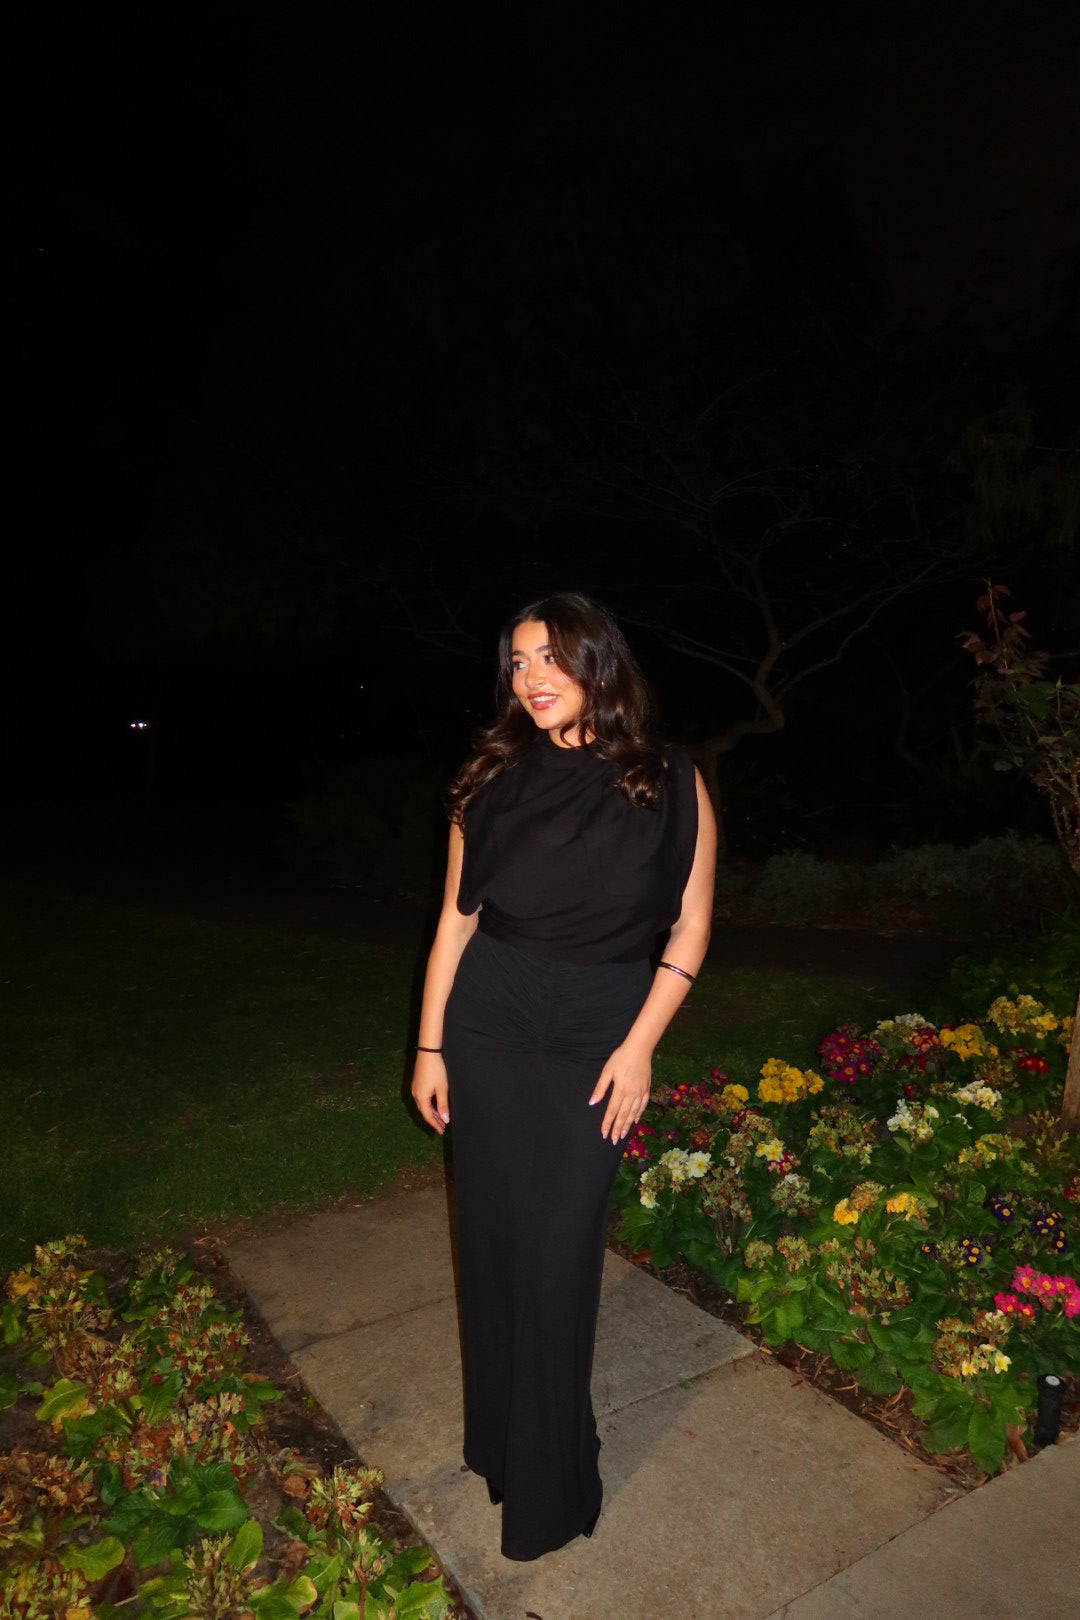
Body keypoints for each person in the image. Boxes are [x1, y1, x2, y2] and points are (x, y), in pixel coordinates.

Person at [410, 591, 716, 1561]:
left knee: (558, 1255)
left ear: (598, 663)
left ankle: (550, 1486)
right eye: (518, 662)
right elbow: (456, 921)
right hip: (491, 1023)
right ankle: (503, 1447)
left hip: (599, 1035)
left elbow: (690, 928)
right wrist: (429, 1048)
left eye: (550, 657)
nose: (531, 677)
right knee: (495, 1244)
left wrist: (640, 1044)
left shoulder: (670, 781)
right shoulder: (489, 779)